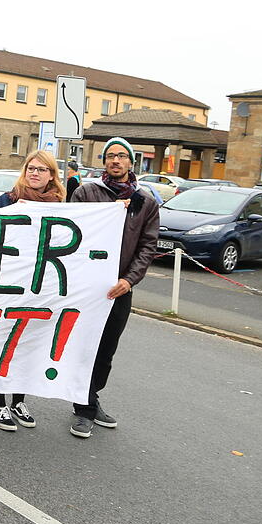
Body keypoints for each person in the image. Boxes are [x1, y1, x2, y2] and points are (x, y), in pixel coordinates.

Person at [68, 137, 159, 438]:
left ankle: (91, 396)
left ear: (132, 162)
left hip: (120, 288)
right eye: (110, 156)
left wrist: (129, 280)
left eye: (121, 156)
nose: (115, 161)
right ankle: (83, 409)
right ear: (104, 161)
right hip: (87, 287)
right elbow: (73, 233)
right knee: (85, 346)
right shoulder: (86, 192)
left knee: (106, 349)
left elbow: (147, 246)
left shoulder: (145, 201)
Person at [0, 149, 65, 431]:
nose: (34, 173)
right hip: (7, 285)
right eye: (30, 168)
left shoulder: (59, 205)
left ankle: (18, 400)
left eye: (41, 170)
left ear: (51, 176)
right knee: (2, 344)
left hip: (39, 287)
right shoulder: (6, 200)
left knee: (28, 345)